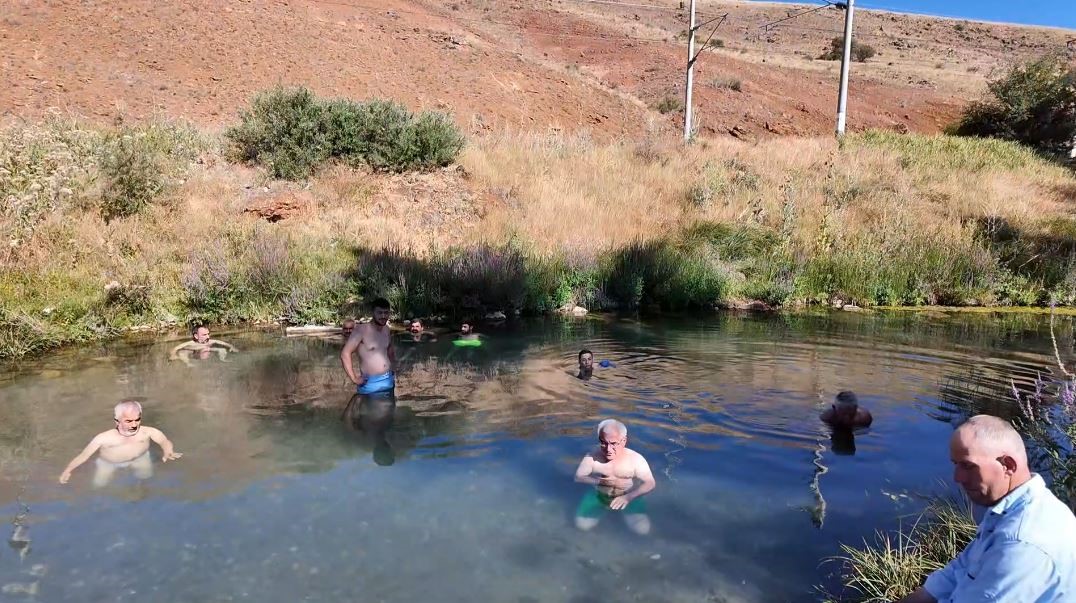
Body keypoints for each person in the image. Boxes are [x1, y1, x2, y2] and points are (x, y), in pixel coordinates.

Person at [896, 415, 1076, 603]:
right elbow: (957, 572)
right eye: (956, 464)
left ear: (1008, 465)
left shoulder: (1023, 542)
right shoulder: (1011, 509)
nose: (957, 477)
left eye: (968, 466)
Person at [59, 400, 182, 488]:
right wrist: (68, 469)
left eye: (137, 420)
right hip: (108, 464)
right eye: (128, 421)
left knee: (146, 477)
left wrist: (168, 451)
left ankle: (139, 493)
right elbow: (84, 455)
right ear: (117, 421)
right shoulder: (104, 438)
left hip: (140, 459)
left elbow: (163, 440)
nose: (134, 424)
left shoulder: (147, 432)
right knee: (99, 485)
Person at [573, 419, 657, 535]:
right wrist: (599, 481)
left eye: (613, 444)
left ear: (623, 441)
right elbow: (579, 477)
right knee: (582, 526)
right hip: (599, 496)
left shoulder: (635, 459)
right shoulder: (592, 457)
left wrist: (629, 497)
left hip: (628, 497)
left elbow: (650, 483)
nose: (608, 449)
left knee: (643, 530)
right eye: (603, 443)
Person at [341, 298, 396, 394]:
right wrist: (354, 378)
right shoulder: (361, 330)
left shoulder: (386, 329)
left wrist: (394, 368)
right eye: (379, 313)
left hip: (388, 380)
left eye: (386, 313)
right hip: (370, 384)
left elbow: (389, 349)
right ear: (372, 312)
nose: (383, 316)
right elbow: (345, 354)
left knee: (390, 409)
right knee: (369, 409)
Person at [169, 324, 238, 366]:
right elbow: (175, 348)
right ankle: (188, 363)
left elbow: (223, 343)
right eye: (204, 335)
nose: (208, 337)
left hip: (207, 350)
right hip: (194, 353)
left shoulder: (210, 341)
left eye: (208, 334)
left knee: (222, 349)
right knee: (182, 352)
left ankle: (223, 359)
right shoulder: (191, 343)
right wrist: (173, 355)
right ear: (196, 336)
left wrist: (232, 347)